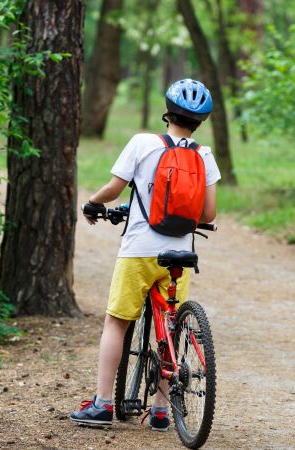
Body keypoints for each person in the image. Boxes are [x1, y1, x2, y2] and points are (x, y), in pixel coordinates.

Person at [69, 79, 221, 431]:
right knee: (172, 328)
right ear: (201, 121)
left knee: (117, 322)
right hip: (179, 255)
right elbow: (209, 214)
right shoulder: (204, 155)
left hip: (139, 250)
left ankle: (103, 404)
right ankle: (161, 412)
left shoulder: (142, 143)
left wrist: (93, 203)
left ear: (167, 110)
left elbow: (114, 188)